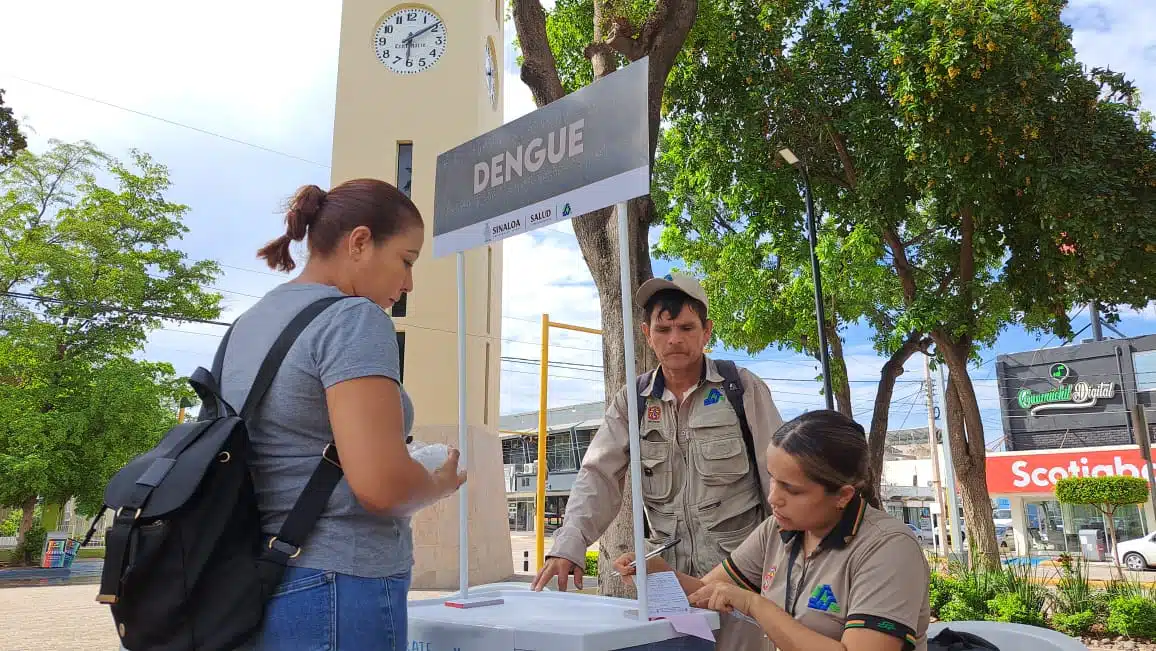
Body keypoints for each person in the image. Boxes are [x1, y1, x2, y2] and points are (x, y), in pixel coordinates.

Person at [222, 179, 466, 650]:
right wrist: (437, 482)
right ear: (360, 242)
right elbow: (381, 486)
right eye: (406, 260)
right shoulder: (353, 318)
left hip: (256, 581)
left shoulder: (248, 324)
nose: (409, 283)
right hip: (338, 583)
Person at [532, 272, 783, 651]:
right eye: (663, 329)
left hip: (739, 580)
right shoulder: (632, 400)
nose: (675, 339)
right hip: (667, 584)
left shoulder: (741, 388)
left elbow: (779, 480)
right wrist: (569, 545)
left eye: (686, 327)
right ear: (647, 334)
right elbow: (598, 474)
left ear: (707, 331)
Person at [614, 410, 931, 651]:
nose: (773, 497)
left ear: (843, 496)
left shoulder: (888, 548)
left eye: (792, 490)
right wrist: (658, 572)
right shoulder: (778, 531)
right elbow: (705, 594)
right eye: (773, 479)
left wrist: (753, 603)